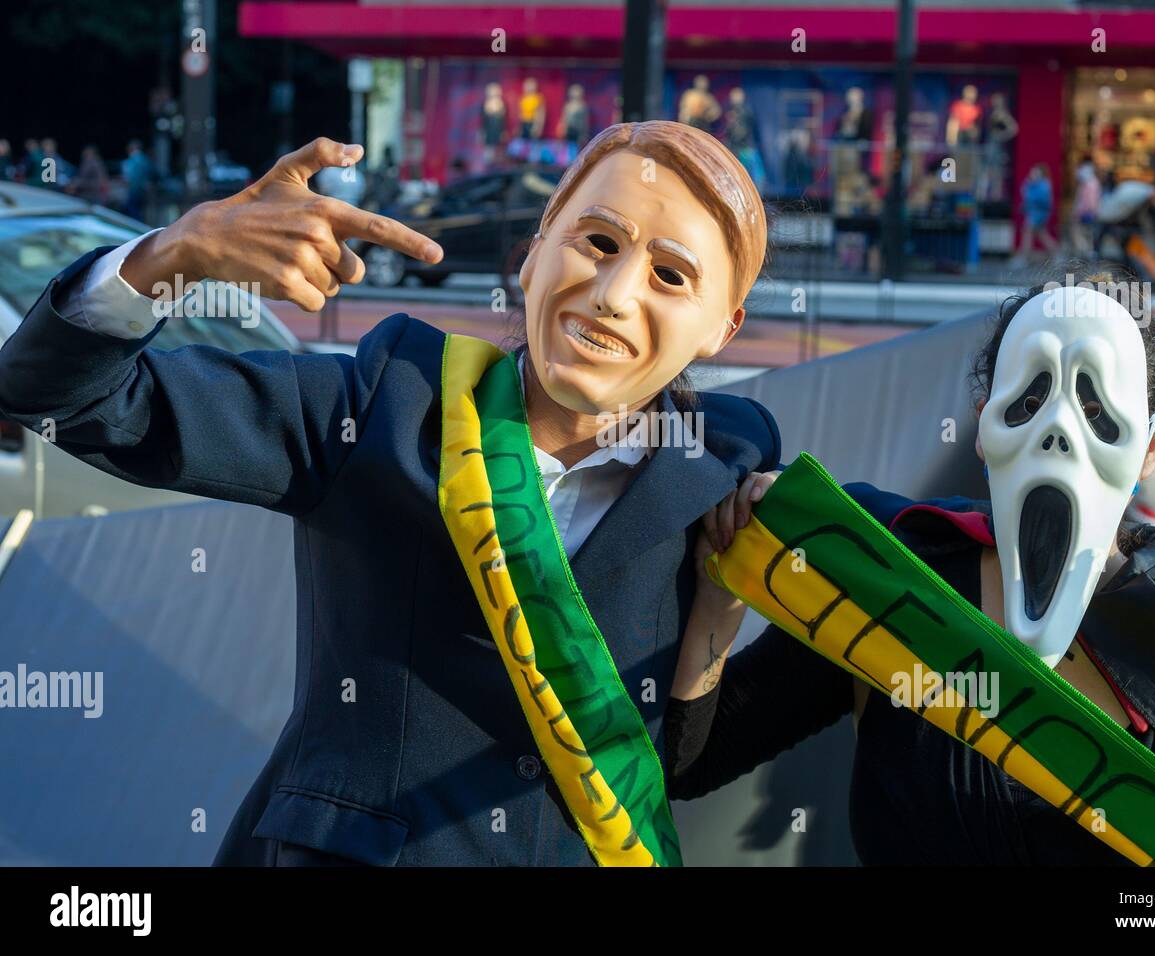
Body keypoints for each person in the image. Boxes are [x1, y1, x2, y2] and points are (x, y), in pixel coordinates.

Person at [0, 124, 779, 866]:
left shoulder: (717, 477)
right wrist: (180, 252)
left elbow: (662, 764)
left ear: (724, 327)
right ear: (537, 251)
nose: (612, 293)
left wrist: (718, 607)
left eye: (670, 276)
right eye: (597, 242)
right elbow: (58, 398)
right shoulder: (381, 407)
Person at [666, 273, 1155, 866]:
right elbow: (695, 759)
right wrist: (724, 588)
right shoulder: (891, 576)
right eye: (1029, 396)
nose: (1058, 429)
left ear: (1152, 446)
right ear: (983, 424)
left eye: (1097, 407)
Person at [1013, 162, 1058, 265]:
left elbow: (1036, 199)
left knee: (1027, 233)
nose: (1032, 175)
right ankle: (1057, 254)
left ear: (1041, 174)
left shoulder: (1044, 185)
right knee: (1042, 235)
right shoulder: (1035, 184)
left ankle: (1023, 258)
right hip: (1035, 214)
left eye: (1035, 173)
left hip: (1038, 215)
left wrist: (1027, 189)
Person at [122, 140, 154, 221]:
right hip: (143, 190)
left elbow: (128, 177)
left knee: (132, 211)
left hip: (133, 189)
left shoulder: (130, 162)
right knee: (140, 210)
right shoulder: (145, 160)